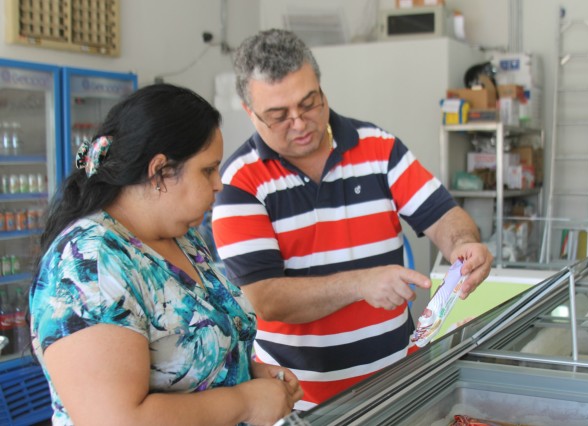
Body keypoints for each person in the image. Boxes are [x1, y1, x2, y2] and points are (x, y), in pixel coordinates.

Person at [211, 29, 493, 410]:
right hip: (300, 405)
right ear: (250, 113)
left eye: (309, 103)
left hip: (396, 385)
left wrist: (463, 245)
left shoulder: (378, 147)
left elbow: (442, 214)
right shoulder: (238, 183)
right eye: (278, 116)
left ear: (322, 89)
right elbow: (268, 298)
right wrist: (360, 284)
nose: (299, 123)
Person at [29, 83, 303, 426]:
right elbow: (115, 420)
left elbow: (188, 358)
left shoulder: (182, 237)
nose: (219, 184)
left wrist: (249, 374)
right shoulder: (89, 263)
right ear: (160, 172)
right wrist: (244, 402)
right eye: (208, 170)